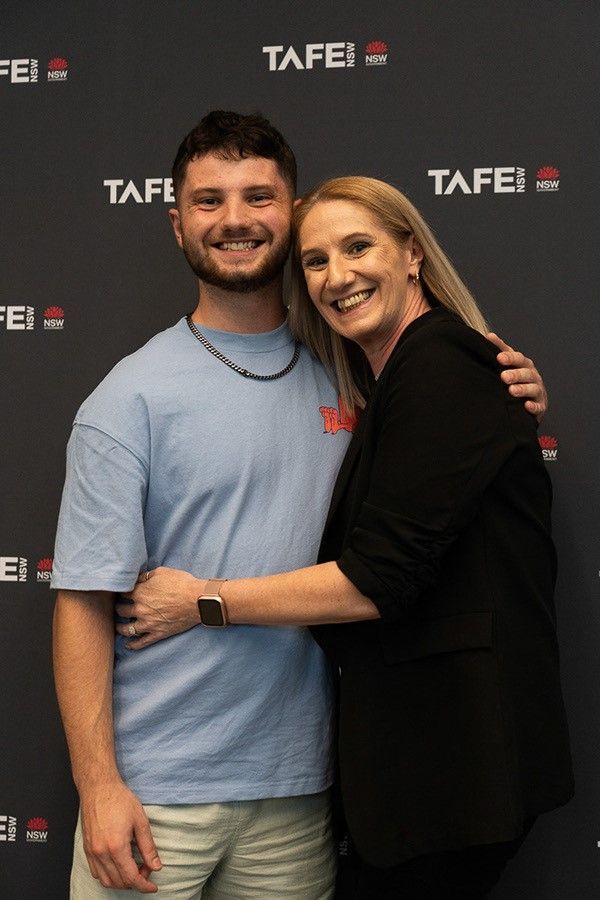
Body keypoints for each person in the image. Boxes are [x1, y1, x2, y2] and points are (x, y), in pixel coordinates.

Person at [52, 110, 548, 899]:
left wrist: (503, 384)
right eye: (209, 201)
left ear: (289, 212)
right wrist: (100, 786)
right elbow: (82, 600)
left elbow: (440, 463)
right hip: (158, 795)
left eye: (260, 196)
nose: (237, 220)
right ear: (177, 224)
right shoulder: (128, 399)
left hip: (303, 790)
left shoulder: (354, 371)